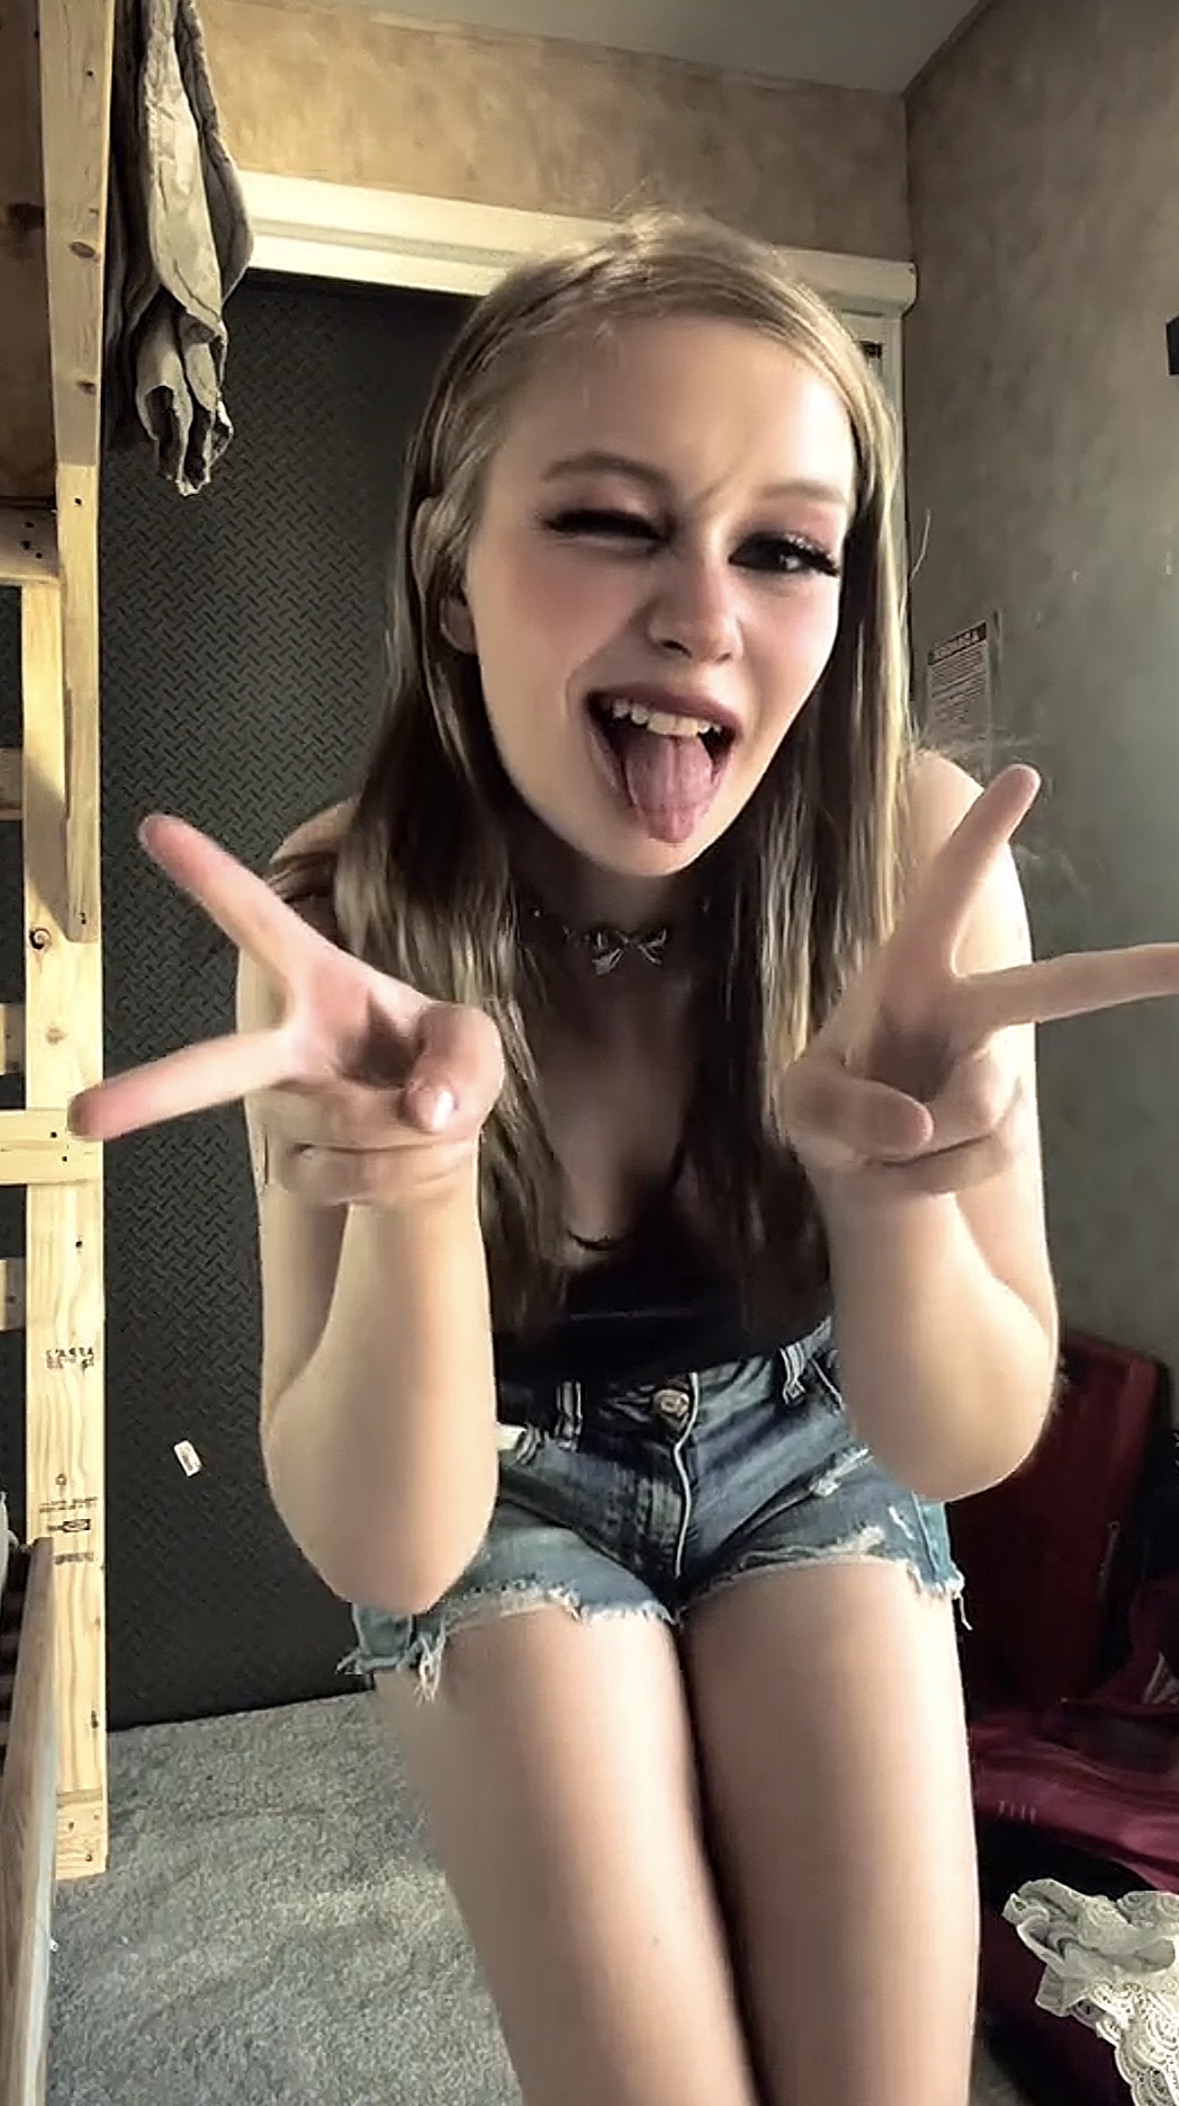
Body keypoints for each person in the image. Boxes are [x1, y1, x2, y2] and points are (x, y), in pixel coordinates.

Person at [69, 211, 1179, 2106]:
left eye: (786, 548)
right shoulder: (345, 933)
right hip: (500, 1491)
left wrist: (898, 1201)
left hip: (817, 1441)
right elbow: (387, 1539)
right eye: (607, 520)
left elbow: (964, 1437)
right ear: (451, 574)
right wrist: (417, 1190)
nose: (706, 614)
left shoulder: (914, 870)